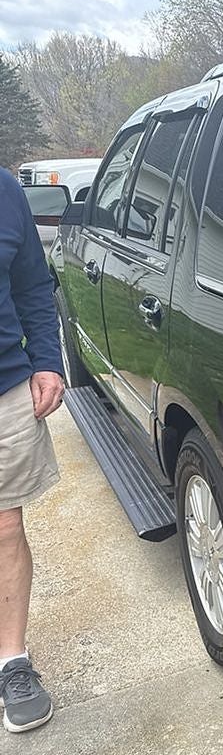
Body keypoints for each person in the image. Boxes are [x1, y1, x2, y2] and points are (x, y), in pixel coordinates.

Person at [0, 169, 65, 733]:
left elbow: (32, 287)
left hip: (3, 389)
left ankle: (12, 661)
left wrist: (47, 359)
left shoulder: (4, 189)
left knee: (4, 528)